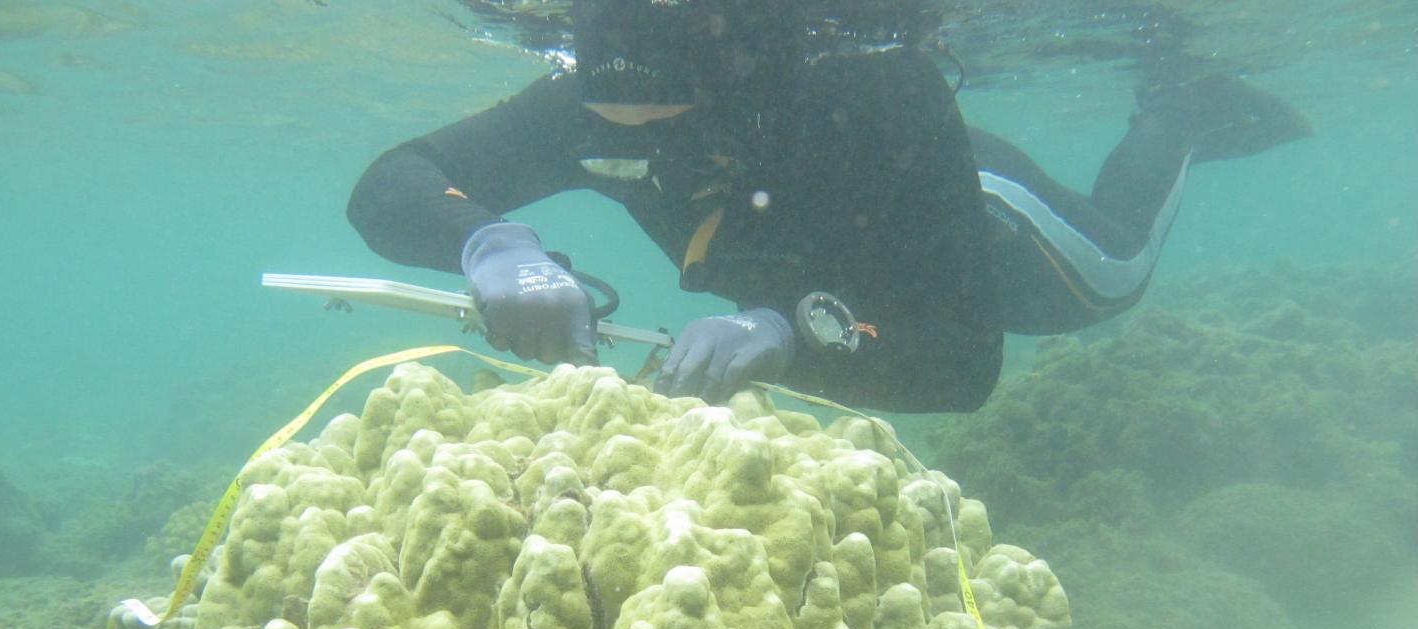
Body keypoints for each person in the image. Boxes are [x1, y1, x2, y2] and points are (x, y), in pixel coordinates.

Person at [347, 0, 1310, 413]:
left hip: (962, 221)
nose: (641, 144)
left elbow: (959, 367)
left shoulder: (875, 93)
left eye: (672, 122)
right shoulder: (582, 106)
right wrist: (490, 241)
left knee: (1118, 274)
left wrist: (792, 339)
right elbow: (392, 181)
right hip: (807, 276)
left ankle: (1179, 109)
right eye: (612, 125)